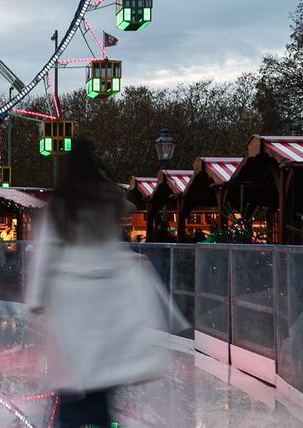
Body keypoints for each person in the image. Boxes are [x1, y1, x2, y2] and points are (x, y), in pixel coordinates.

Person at [26, 139, 186, 427]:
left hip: (71, 299)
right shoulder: (107, 201)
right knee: (100, 381)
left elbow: (45, 253)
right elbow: (125, 213)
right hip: (106, 295)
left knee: (73, 379)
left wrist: (37, 299)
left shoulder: (61, 206)